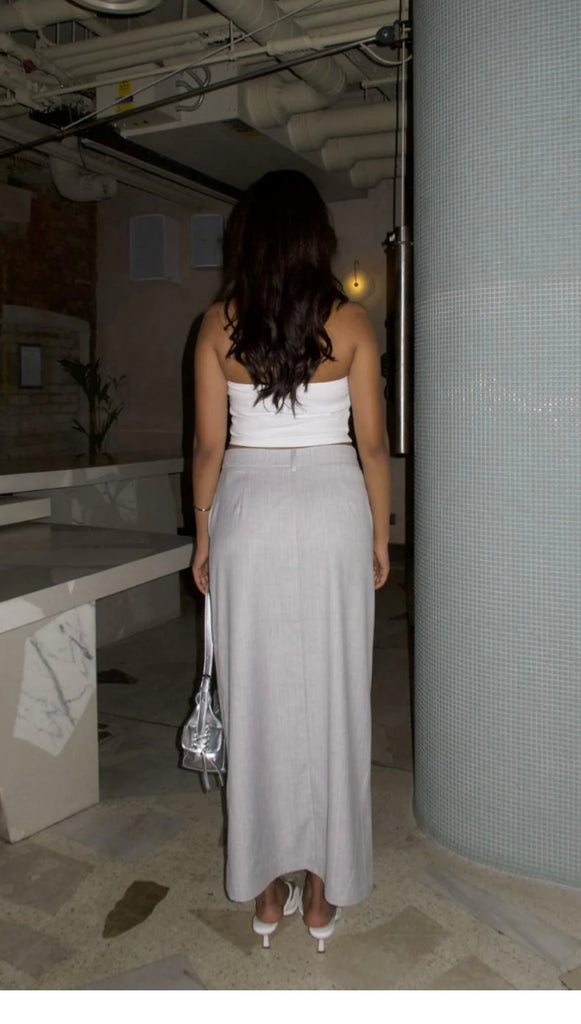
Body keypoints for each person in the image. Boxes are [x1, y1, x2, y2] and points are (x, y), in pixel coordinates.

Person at [192, 169, 391, 952]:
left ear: (246, 239)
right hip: (334, 507)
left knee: (253, 694)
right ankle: (323, 894)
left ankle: (266, 888)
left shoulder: (217, 326)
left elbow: (208, 448)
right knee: (335, 694)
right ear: (317, 238)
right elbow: (371, 443)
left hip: (248, 511)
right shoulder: (352, 322)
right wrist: (379, 534)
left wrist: (203, 537)